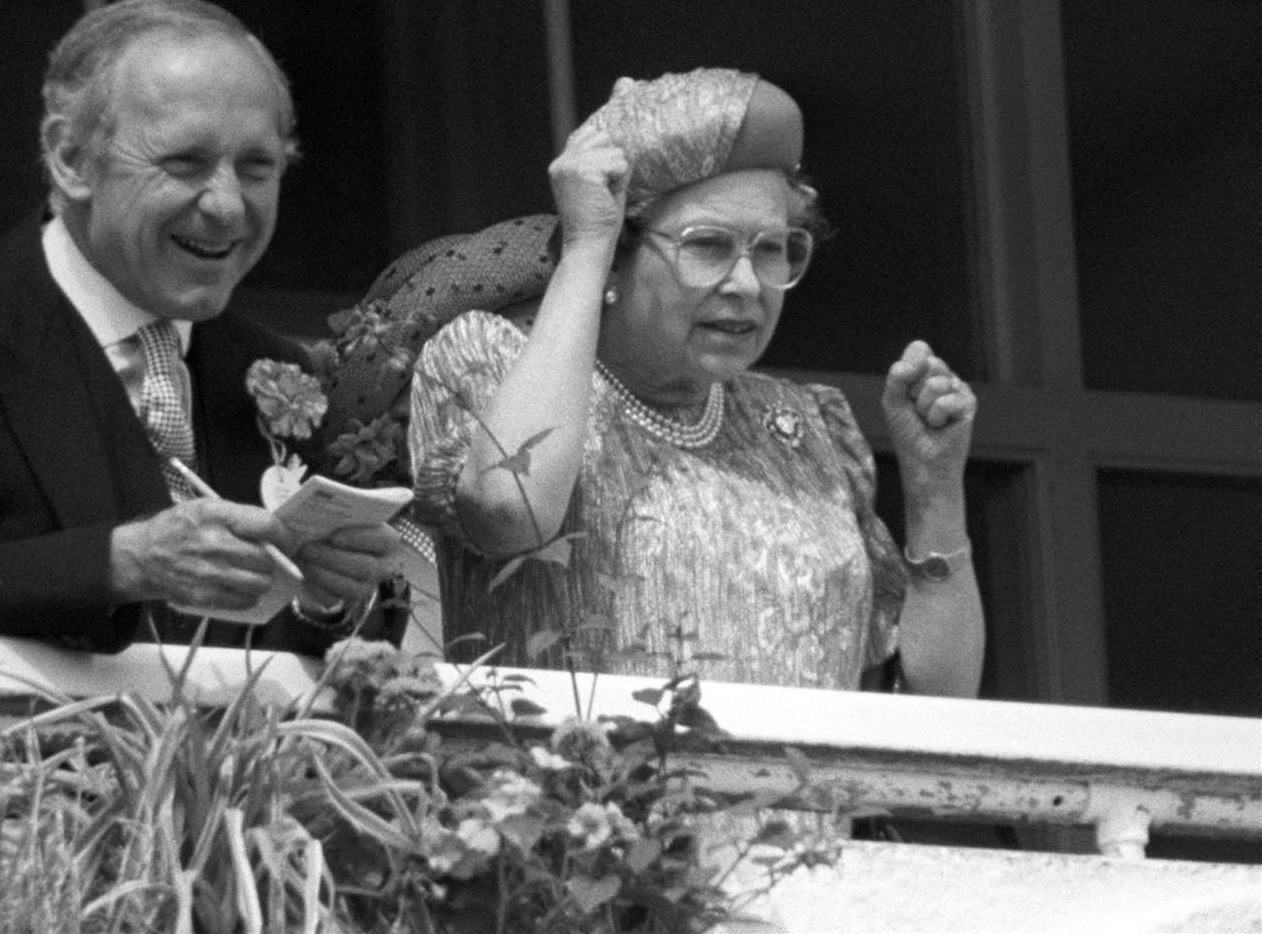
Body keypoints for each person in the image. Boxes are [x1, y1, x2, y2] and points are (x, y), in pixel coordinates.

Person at [0, 0, 422, 654]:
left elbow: (291, 658)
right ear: (70, 158)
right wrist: (124, 564)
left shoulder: (279, 371)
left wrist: (327, 600)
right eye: (185, 163)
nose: (227, 205)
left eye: (256, 168)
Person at [398, 68, 984, 696]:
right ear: (620, 251)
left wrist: (935, 492)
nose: (747, 283)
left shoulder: (808, 430)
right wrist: (586, 243)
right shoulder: (494, 361)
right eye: (708, 245)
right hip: (586, 789)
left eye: (772, 249)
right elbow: (511, 511)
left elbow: (942, 701)